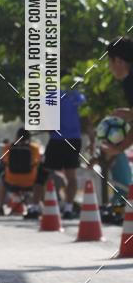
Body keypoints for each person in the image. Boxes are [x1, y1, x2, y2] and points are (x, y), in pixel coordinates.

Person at [42, 86, 86, 219]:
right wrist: (92, 139)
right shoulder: (78, 96)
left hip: (57, 140)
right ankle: (68, 209)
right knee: (71, 176)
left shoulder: (51, 95)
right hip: (74, 139)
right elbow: (86, 117)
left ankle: (48, 207)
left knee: (45, 174)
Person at [0, 127, 42, 216]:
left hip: (11, 181)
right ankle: (37, 205)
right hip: (30, 183)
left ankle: (0, 207)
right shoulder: (34, 148)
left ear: (16, 136)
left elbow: (5, 161)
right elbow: (36, 162)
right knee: (41, 178)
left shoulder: (7, 148)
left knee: (2, 177)